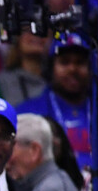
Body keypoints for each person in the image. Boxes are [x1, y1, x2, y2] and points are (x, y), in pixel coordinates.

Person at [17, 30, 93, 173]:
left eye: (80, 62)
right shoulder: (27, 113)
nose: (72, 69)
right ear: (50, 68)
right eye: (64, 62)